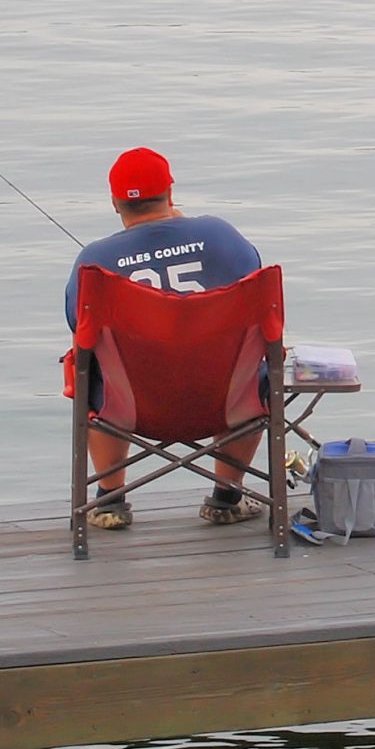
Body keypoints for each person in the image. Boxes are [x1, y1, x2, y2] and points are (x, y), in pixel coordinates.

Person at [64, 146, 268, 532]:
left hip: (131, 406)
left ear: (114, 202)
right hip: (227, 400)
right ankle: (227, 495)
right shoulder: (220, 235)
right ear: (170, 193)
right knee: (250, 366)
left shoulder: (95, 260)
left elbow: (79, 329)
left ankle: (111, 500)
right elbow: (259, 303)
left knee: (93, 370)